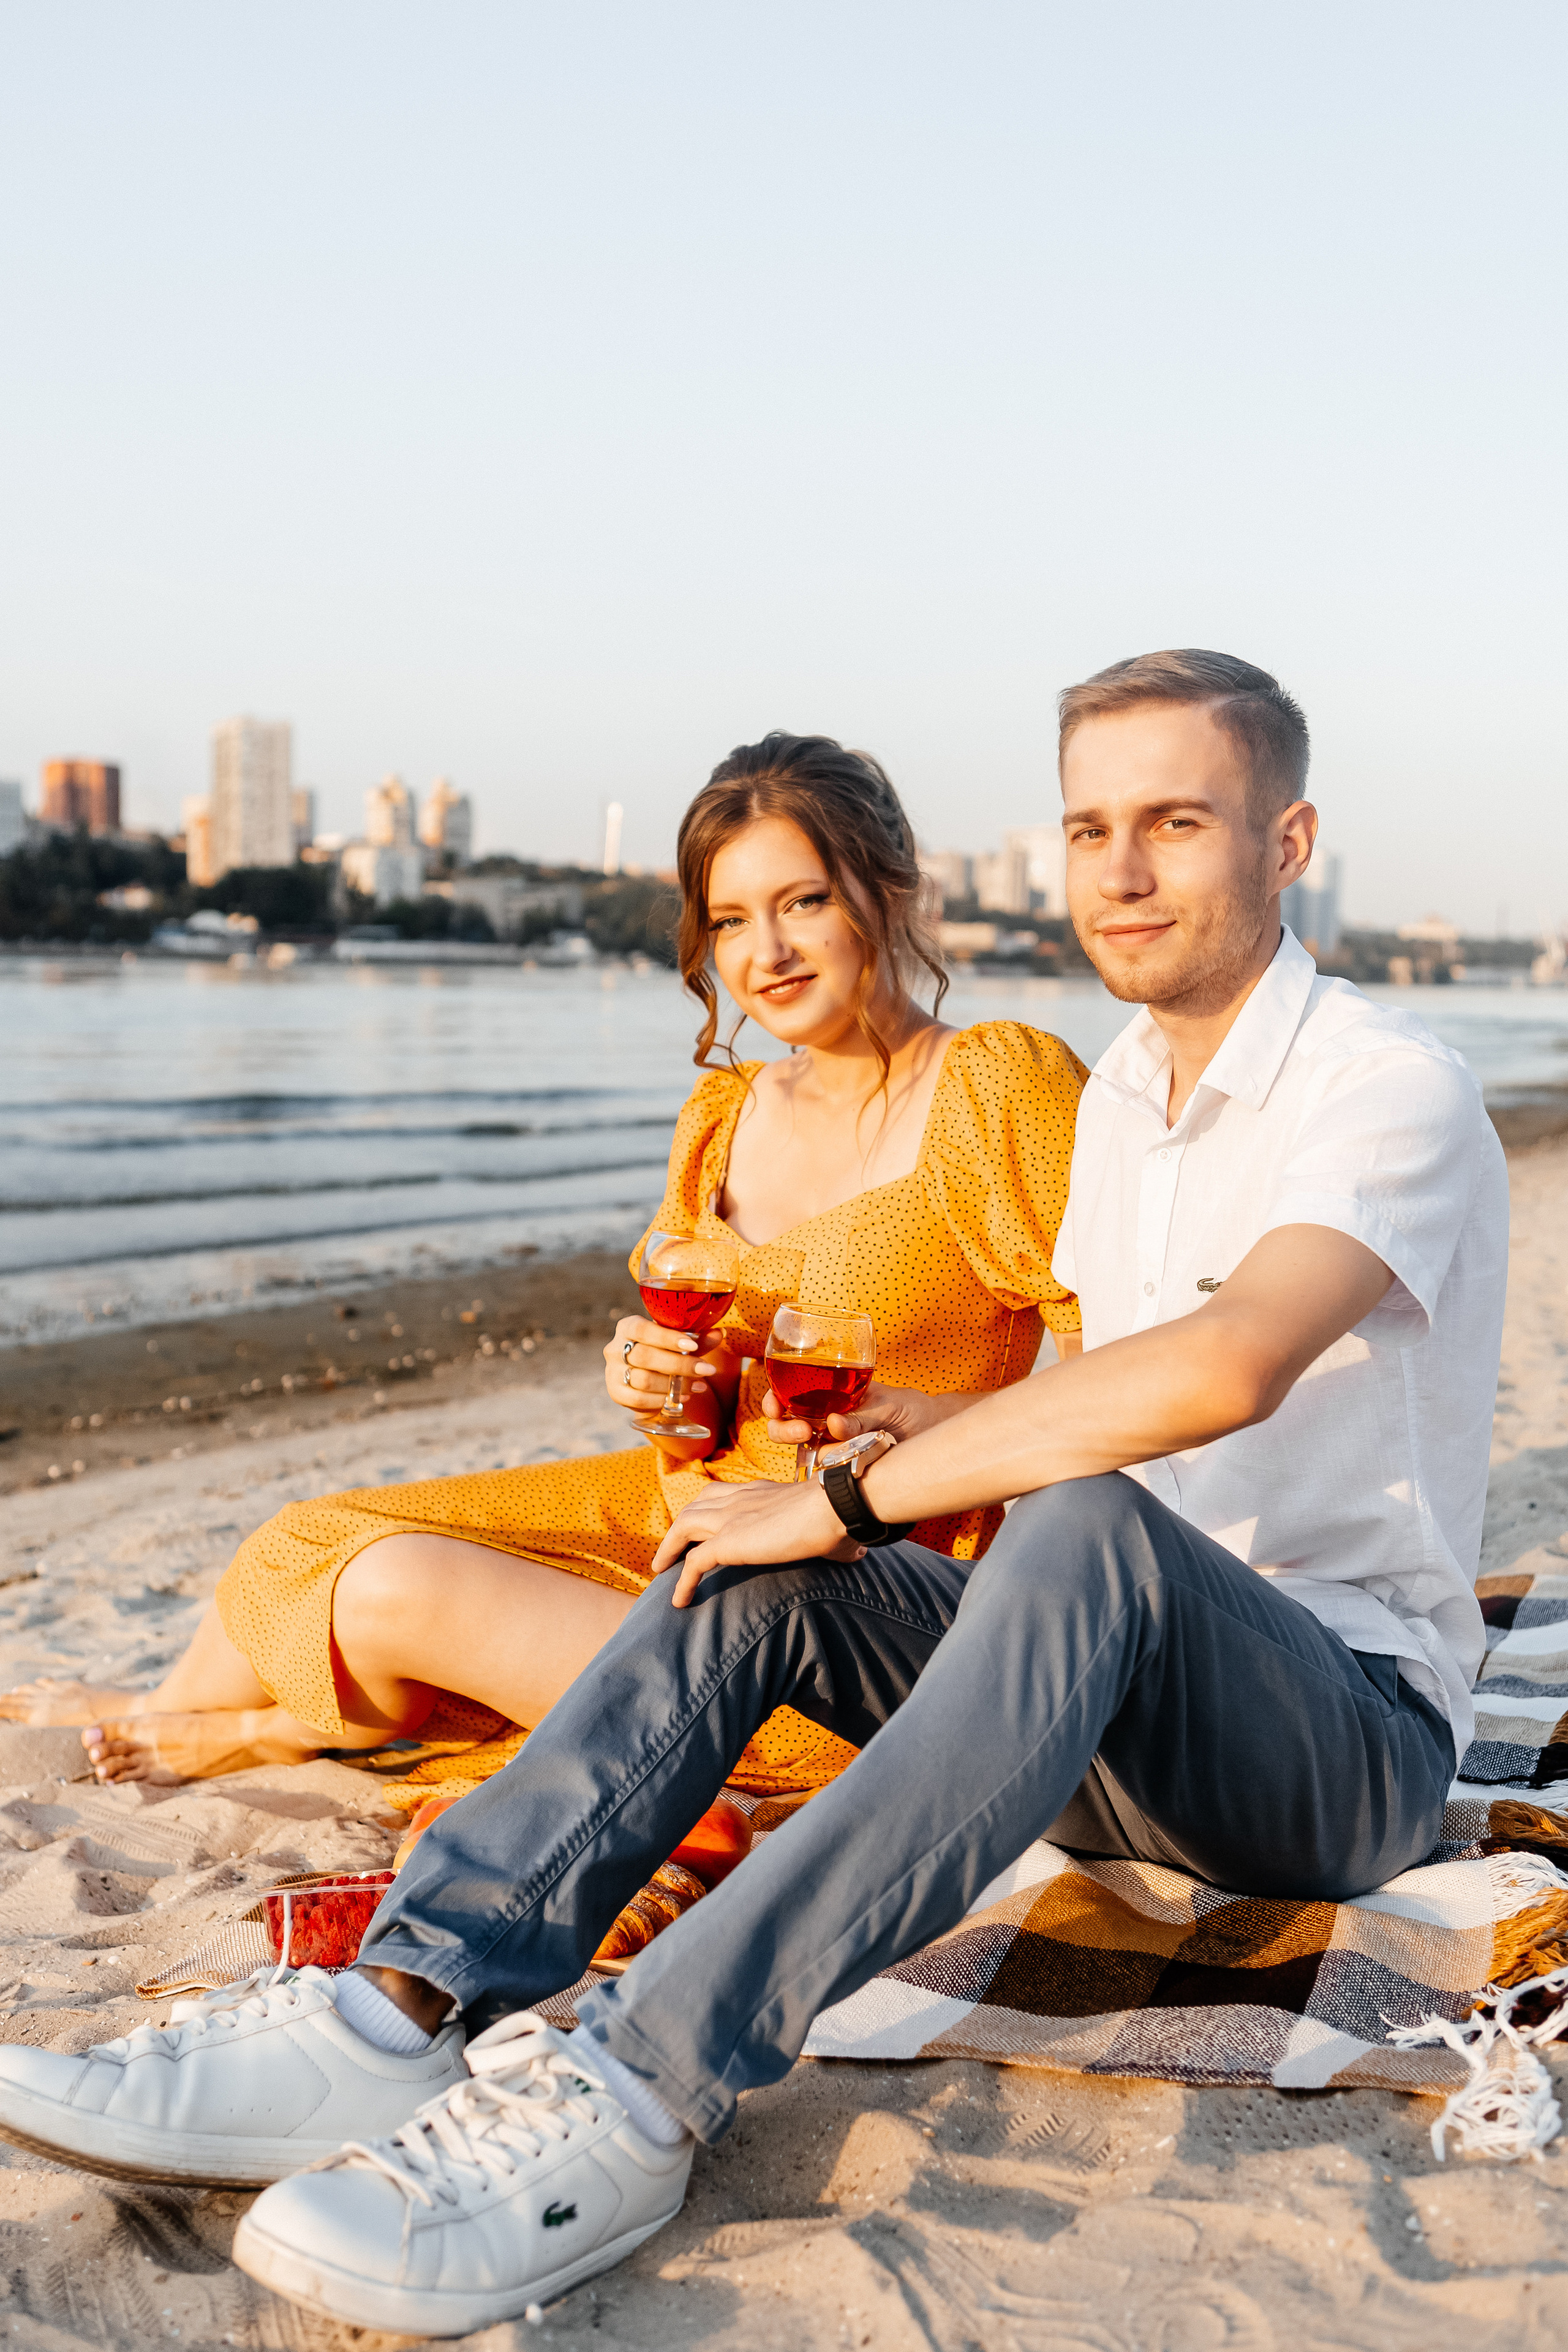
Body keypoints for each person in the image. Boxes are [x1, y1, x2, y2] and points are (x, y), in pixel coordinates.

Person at [0, 652, 1509, 2345]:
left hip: (1337, 1739)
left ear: (1286, 839)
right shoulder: (1128, 1109)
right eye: (1092, 827)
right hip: (1090, 1710)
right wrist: (861, 1456)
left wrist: (856, 1502)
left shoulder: (1390, 1086)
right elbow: (1066, 1382)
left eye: (1178, 822)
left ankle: (641, 2080)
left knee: (1037, 1520)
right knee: (742, 1551)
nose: (1124, 872)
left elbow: (1224, 1367)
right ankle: (390, 2000)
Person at [0, 733, 1084, 1801]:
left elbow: (1115, 1382)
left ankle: (244, 1729)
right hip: (677, 1514)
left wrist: (915, 1432)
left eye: (803, 901)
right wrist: (661, 1391)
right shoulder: (723, 1113)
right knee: (303, 1537)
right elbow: (699, 1426)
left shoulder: (997, 1085)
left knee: (391, 1590)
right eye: (731, 920)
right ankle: (173, 1703)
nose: (768, 953)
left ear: (889, 891)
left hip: (857, 1586)